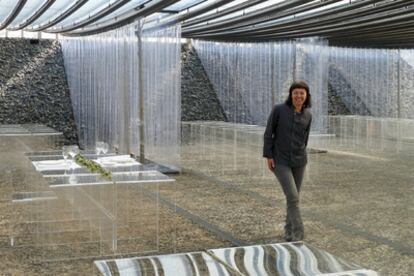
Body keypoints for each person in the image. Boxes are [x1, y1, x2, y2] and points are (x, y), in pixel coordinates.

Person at [263, 80, 312, 242]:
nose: (298, 96)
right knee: (292, 196)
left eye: (302, 93)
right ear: (291, 95)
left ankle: (288, 231)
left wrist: (302, 153)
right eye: (295, 93)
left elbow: (305, 139)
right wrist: (269, 156)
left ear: (306, 96)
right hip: (281, 160)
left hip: (299, 161)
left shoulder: (308, 115)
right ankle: (299, 233)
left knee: (293, 198)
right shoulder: (279, 110)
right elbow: (268, 133)